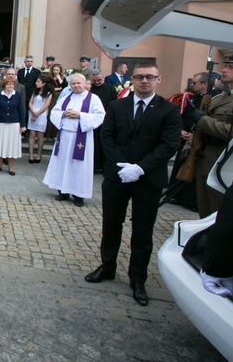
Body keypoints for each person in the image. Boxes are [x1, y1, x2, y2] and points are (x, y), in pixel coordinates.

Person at [85, 62, 181, 307]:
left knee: (142, 230)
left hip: (148, 178)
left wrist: (139, 168)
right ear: (132, 80)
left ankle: (138, 278)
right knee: (111, 223)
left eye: (149, 77)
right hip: (117, 176)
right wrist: (121, 166)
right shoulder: (118, 106)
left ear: (158, 80)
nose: (144, 81)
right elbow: (107, 136)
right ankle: (107, 266)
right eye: (139, 77)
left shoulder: (169, 110)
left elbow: (168, 145)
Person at [185, 53, 233, 217]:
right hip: (205, 161)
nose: (224, 70)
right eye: (226, 66)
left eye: (231, 67)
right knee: (205, 214)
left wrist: (203, 121)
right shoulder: (220, 97)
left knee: (219, 216)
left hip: (225, 166)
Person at [43, 73, 105, 207]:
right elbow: (54, 112)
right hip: (65, 136)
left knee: (78, 166)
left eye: (78, 83)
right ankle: (63, 191)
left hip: (82, 138)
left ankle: (78, 195)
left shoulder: (93, 99)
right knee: (63, 164)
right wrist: (64, 114)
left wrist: (80, 115)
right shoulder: (65, 98)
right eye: (73, 84)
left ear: (85, 83)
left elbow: (100, 116)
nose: (76, 86)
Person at [0, 77, 26, 175]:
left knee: (11, 146)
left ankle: (11, 168)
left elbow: (21, 110)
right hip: (0, 123)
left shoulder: (17, 95)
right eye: (8, 84)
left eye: (12, 84)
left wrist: (23, 125)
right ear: (4, 85)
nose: (10, 86)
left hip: (14, 124)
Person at [90, 69, 118, 172]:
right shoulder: (90, 89)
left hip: (106, 120)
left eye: (99, 80)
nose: (97, 82)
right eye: (95, 80)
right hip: (92, 120)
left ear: (103, 78)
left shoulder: (110, 89)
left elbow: (113, 104)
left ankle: (104, 166)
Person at [27, 74, 53, 163]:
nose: (36, 83)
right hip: (32, 113)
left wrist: (37, 114)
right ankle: (30, 155)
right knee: (32, 134)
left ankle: (39, 154)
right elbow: (30, 103)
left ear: (44, 83)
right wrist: (33, 113)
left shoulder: (49, 94)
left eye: (38, 82)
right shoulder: (35, 92)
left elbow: (46, 106)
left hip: (41, 115)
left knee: (40, 135)